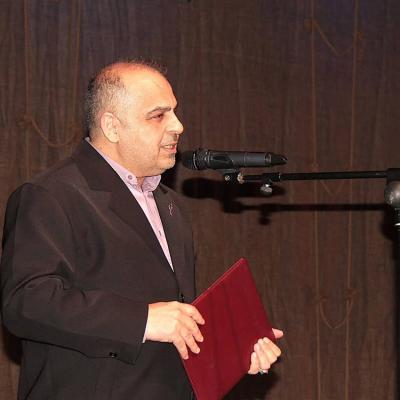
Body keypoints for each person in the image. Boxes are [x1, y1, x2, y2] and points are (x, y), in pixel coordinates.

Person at [1, 61, 283, 399]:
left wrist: (232, 349)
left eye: (174, 112)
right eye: (158, 116)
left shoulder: (171, 206)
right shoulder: (52, 195)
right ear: (112, 126)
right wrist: (143, 320)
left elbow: (171, 324)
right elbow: (26, 302)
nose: (178, 126)